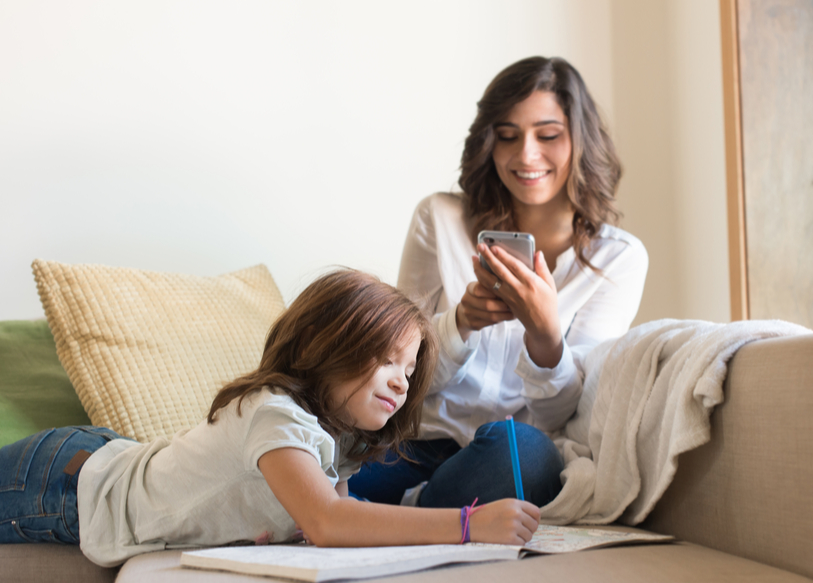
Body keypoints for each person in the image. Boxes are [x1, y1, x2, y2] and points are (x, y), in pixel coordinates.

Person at [0, 269, 540, 567]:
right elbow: (328, 521)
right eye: (384, 360)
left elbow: (339, 517)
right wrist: (468, 525)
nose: (402, 380)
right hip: (68, 481)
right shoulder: (275, 415)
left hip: (105, 459)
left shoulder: (339, 438)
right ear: (325, 346)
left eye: (408, 366)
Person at [350, 57, 649, 509]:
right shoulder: (439, 219)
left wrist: (546, 336)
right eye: (507, 136)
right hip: (412, 442)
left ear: (580, 140)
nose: (526, 154)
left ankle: (410, 513)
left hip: (505, 455)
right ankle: (415, 512)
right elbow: (398, 373)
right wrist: (460, 322)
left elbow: (565, 414)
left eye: (548, 135)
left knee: (528, 455)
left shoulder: (617, 259)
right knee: (296, 475)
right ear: (489, 142)